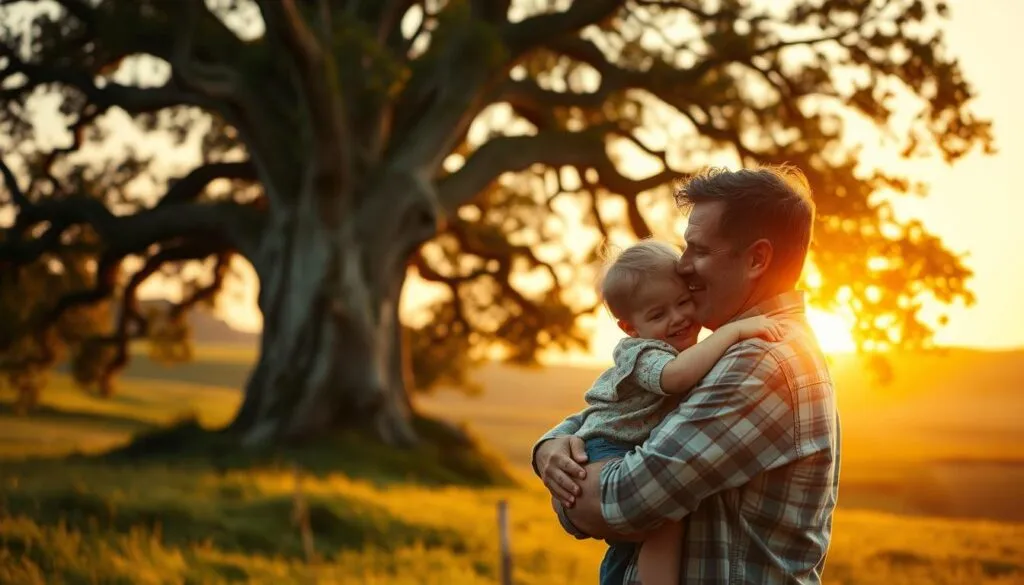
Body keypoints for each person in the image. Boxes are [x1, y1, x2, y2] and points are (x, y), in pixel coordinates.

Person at [533, 165, 841, 584]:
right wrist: (551, 446)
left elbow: (628, 501)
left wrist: (567, 489)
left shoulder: (762, 361)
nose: (683, 265)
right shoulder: (735, 351)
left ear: (756, 259)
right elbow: (630, 404)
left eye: (699, 250)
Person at [545, 239, 784, 585]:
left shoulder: (678, 349)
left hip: (622, 445)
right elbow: (676, 377)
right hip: (608, 447)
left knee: (628, 549)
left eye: (683, 302)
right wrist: (733, 332)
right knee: (665, 519)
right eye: (658, 315)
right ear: (630, 328)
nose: (677, 318)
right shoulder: (642, 352)